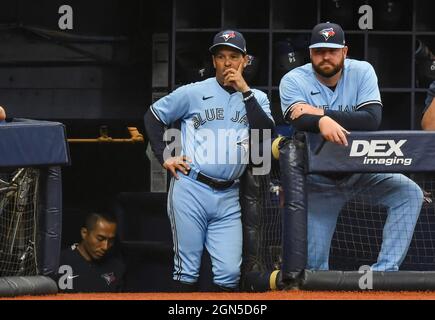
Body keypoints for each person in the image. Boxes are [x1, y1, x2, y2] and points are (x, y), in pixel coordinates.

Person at [279, 22, 423, 271]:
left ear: (344, 52)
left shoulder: (362, 71)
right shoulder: (293, 79)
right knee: (314, 271)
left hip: (361, 172)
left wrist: (321, 113)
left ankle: (384, 272)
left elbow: (371, 120)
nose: (326, 56)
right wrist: (320, 121)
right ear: (310, 53)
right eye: (319, 51)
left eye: (332, 50)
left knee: (410, 193)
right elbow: (298, 118)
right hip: (317, 181)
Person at [144, 30, 274, 291]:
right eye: (221, 56)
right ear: (213, 61)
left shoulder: (257, 98)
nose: (228, 63)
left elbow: (265, 133)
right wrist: (165, 156)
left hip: (229, 194)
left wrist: (245, 91)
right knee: (187, 270)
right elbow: (154, 116)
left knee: (229, 272)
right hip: (192, 187)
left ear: (245, 60)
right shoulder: (193, 92)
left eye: (234, 56)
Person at [57, 212, 125, 292]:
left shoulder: (117, 268)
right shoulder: (60, 262)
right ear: (84, 233)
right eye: (100, 239)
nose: (105, 247)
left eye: (111, 241)